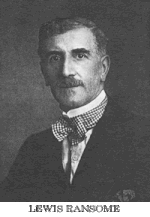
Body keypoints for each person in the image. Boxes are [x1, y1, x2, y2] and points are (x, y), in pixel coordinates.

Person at [0, 17, 150, 202]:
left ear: (103, 68)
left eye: (79, 55)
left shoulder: (144, 136)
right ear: (43, 72)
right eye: (54, 58)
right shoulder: (33, 149)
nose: (65, 71)